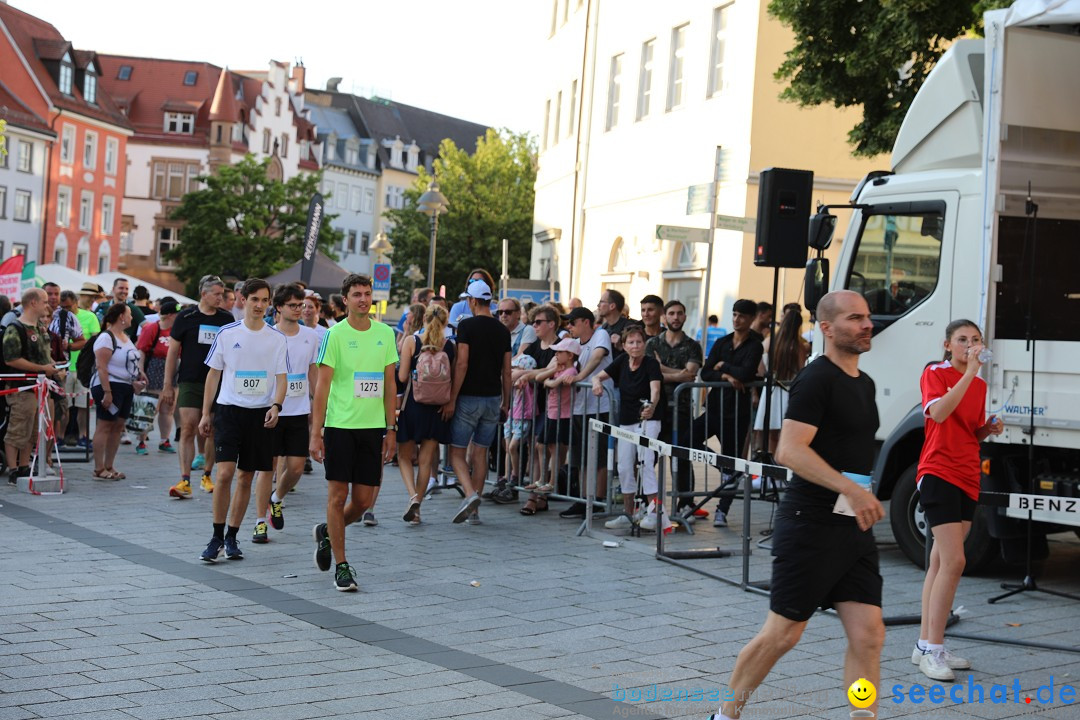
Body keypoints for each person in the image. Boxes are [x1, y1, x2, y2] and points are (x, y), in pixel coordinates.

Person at [710, 290, 884, 720]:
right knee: (783, 634)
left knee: (869, 636)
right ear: (826, 328)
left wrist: (858, 493)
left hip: (853, 527)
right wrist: (852, 488)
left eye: (867, 317)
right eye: (854, 318)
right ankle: (724, 715)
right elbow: (789, 450)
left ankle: (863, 715)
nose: (866, 324)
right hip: (810, 524)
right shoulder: (816, 378)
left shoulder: (864, 382)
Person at [913, 320, 1002, 681]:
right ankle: (933, 649)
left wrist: (988, 429)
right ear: (947, 345)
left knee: (940, 562)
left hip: (967, 473)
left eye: (975, 340)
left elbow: (968, 429)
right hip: (938, 471)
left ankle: (925, 645)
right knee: (954, 560)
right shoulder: (936, 373)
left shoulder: (979, 385)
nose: (970, 345)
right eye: (962, 340)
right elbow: (939, 413)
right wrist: (969, 373)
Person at [310, 274, 398, 591]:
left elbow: (390, 385)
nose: (363, 299)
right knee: (338, 496)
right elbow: (322, 388)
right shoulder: (335, 336)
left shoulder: (386, 334)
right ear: (345, 300)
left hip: (373, 428)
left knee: (361, 503)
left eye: (367, 293)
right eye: (357, 294)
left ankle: (327, 532)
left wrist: (391, 429)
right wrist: (315, 432)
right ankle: (342, 566)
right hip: (339, 426)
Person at [198, 279, 288, 563]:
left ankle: (232, 536)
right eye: (255, 300)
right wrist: (205, 412)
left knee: (246, 476)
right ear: (243, 299)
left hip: (260, 414)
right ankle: (215, 536)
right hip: (229, 411)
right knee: (224, 474)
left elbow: (282, 378)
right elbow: (213, 374)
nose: (260, 305)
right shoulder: (227, 333)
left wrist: (277, 405)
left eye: (264, 300)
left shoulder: (276, 338)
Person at [250, 284, 321, 545]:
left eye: (301, 305)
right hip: (270, 410)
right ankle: (259, 522)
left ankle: (276, 498)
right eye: (293, 305)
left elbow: (313, 371)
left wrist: (319, 403)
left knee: (296, 468)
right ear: (278, 307)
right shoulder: (266, 335)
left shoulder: (311, 336)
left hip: (298, 411)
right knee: (265, 467)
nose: (298, 309)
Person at [441, 279, 511, 525]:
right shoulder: (503, 330)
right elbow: (507, 370)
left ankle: (470, 495)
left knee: (457, 453)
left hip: (469, 397)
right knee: (480, 454)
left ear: (471, 301)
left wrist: (451, 398)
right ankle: (474, 512)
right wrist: (506, 401)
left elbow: (462, 363)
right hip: (493, 398)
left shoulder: (467, 326)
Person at [161, 275, 234, 498]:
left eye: (223, 294)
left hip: (219, 382)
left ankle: (207, 475)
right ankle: (185, 479)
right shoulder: (186, 316)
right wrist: (168, 384)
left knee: (211, 429)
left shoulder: (226, 318)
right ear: (204, 294)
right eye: (217, 294)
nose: (221, 298)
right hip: (190, 380)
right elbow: (173, 352)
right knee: (189, 427)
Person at [695, 299, 764, 527]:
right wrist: (725, 376)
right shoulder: (723, 342)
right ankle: (723, 467)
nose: (736, 319)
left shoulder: (755, 345)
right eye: (734, 314)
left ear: (751, 318)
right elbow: (705, 372)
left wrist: (722, 366)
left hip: (737, 414)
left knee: (734, 459)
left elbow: (745, 374)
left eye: (742, 316)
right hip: (715, 407)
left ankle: (722, 511)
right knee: (687, 440)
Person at [595, 325, 663, 529]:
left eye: (639, 342)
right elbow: (598, 375)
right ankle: (628, 513)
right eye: (631, 342)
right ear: (624, 346)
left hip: (648, 419)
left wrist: (651, 406)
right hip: (626, 420)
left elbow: (656, 388)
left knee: (646, 463)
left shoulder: (651, 364)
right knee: (624, 466)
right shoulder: (622, 362)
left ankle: (655, 513)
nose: (636, 346)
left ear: (645, 344)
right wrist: (597, 383)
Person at [396, 304, 455, 525]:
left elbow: (402, 378)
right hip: (437, 408)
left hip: (413, 406)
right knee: (425, 460)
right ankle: (417, 508)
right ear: (445, 322)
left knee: (404, 456)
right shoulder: (449, 345)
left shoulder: (412, 341)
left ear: (424, 319)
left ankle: (412, 496)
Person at [645, 300, 702, 523]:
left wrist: (662, 370)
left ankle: (685, 504)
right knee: (650, 457)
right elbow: (652, 373)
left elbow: (690, 375)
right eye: (671, 313)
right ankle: (648, 503)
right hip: (657, 408)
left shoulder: (692, 345)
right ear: (664, 317)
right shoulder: (652, 344)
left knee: (682, 457)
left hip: (682, 409)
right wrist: (678, 374)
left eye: (679, 313)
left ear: (685, 317)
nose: (675, 317)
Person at [3, 289, 62, 485]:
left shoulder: (40, 328)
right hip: (22, 387)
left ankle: (24, 465)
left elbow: (45, 355)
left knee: (34, 429)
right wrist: (42, 369)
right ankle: (13, 470)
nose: (49, 305)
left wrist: (54, 366)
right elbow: (11, 359)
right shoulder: (15, 328)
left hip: (41, 387)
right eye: (45, 301)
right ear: (33, 303)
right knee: (18, 428)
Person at [560, 307, 613, 519]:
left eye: (572, 322)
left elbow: (598, 357)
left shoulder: (601, 334)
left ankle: (597, 500)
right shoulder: (574, 344)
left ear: (586, 322)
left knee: (598, 456)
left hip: (601, 405)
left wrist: (579, 376)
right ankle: (583, 499)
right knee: (580, 455)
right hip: (579, 406)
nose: (569, 327)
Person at [90, 303, 148, 480]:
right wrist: (107, 392)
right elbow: (101, 367)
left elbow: (130, 363)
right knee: (105, 425)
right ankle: (99, 468)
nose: (132, 318)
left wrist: (139, 377)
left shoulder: (125, 337)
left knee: (117, 427)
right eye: (129, 314)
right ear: (121, 316)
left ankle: (109, 465)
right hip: (109, 385)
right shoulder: (106, 338)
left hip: (125, 387)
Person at [753, 305, 809, 456]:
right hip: (788, 390)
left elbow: (760, 371)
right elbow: (801, 370)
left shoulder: (769, 342)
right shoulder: (800, 346)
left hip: (771, 390)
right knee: (785, 433)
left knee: (771, 432)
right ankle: (781, 467)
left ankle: (772, 471)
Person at [525, 338, 578, 494]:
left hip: (562, 415)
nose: (556, 354)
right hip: (552, 413)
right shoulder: (559, 369)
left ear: (570, 355)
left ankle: (552, 481)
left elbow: (552, 384)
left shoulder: (570, 371)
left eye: (560, 352)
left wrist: (550, 378)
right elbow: (540, 379)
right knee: (541, 445)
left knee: (554, 448)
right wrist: (553, 370)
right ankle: (542, 478)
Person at [135, 298, 179, 455]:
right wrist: (141, 371)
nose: (178, 317)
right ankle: (141, 442)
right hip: (155, 367)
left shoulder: (177, 331)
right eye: (176, 314)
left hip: (173, 368)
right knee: (150, 407)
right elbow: (141, 350)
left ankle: (164, 440)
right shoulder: (153, 328)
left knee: (168, 408)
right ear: (168, 315)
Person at [47, 290, 86, 448]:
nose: (53, 297)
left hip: (61, 369)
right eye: (49, 294)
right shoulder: (27, 314)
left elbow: (81, 341)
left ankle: (56, 442)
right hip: (36, 370)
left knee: (61, 407)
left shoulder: (68, 317)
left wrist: (69, 345)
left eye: (56, 293)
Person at [69, 284, 102, 448]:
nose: (91, 299)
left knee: (83, 406)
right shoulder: (63, 315)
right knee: (65, 406)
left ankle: (83, 435)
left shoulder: (91, 316)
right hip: (66, 367)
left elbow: (97, 342)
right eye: (88, 295)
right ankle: (62, 436)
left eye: (94, 296)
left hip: (83, 369)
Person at [95, 278, 147, 343]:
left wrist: (138, 344)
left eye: (126, 289)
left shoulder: (132, 308)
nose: (124, 291)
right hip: (102, 344)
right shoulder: (102, 306)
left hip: (122, 347)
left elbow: (147, 327)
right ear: (113, 289)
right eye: (121, 288)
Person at [598, 289, 635, 356]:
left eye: (601, 302)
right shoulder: (604, 327)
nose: (598, 305)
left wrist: (621, 347)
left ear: (612, 306)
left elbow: (636, 354)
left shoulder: (629, 327)